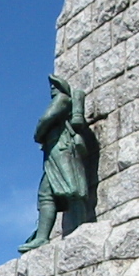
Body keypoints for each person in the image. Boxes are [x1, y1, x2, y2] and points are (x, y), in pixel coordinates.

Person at [18, 74, 90, 253]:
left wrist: (38, 133)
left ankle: (80, 227)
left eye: (55, 85)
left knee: (71, 189)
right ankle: (42, 237)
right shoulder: (62, 99)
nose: (52, 88)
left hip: (61, 150)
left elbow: (46, 119)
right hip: (54, 151)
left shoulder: (62, 99)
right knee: (47, 194)